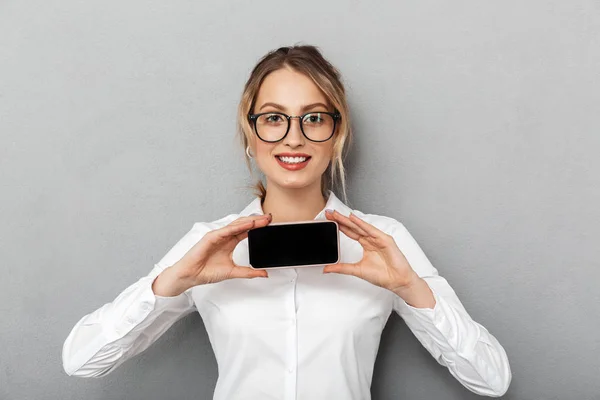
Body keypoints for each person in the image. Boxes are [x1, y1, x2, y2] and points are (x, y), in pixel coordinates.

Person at [62, 45, 512, 399]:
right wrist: (167, 285)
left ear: (336, 134)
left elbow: (492, 380)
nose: (293, 137)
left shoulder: (384, 241)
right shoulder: (207, 244)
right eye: (274, 118)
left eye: (314, 118)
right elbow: (81, 361)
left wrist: (412, 289)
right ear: (250, 134)